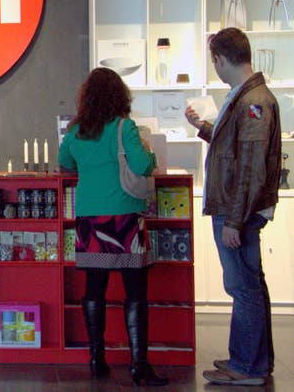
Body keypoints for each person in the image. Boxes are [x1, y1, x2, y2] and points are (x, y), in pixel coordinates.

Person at [59, 67, 168, 386]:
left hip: (89, 220)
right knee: (135, 292)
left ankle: (97, 359)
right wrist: (151, 156)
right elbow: (141, 164)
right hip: (124, 219)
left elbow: (65, 164)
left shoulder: (76, 130)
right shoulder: (124, 127)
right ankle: (139, 366)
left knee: (94, 289)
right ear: (120, 95)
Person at [185, 27, 279, 387]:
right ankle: (252, 360)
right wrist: (203, 127)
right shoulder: (247, 97)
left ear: (221, 59)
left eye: (215, 60)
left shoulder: (253, 101)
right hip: (236, 209)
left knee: (242, 288)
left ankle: (247, 367)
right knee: (249, 285)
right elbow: (237, 149)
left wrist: (235, 221)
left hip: (236, 211)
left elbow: (251, 168)